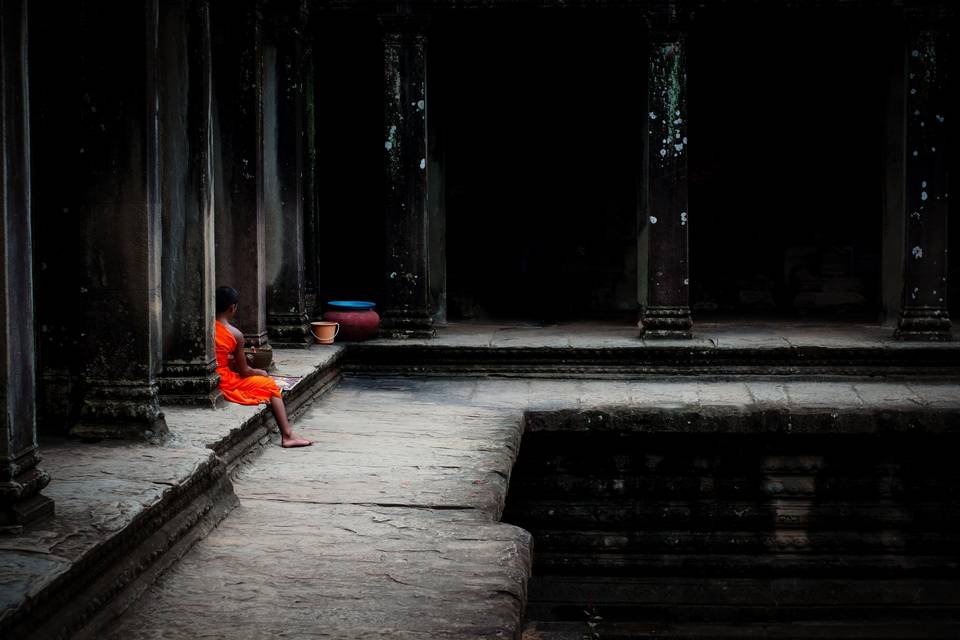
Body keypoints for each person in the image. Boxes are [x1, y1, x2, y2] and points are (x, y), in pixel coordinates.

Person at [215, 286, 312, 448]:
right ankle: (287, 435)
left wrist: (235, 358)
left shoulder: (203, 328)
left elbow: (217, 356)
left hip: (212, 376)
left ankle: (288, 435)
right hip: (224, 381)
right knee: (269, 385)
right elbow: (245, 372)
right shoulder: (235, 334)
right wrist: (259, 372)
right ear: (233, 307)